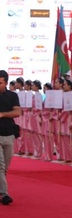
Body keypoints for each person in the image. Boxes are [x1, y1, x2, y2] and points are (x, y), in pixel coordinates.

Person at [0, 70, 21, 205]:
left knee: (5, 167)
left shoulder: (12, 96)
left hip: (9, 134)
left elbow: (17, 112)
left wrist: (2, 114)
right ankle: (4, 194)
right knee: (0, 166)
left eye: (0, 82)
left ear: (6, 83)